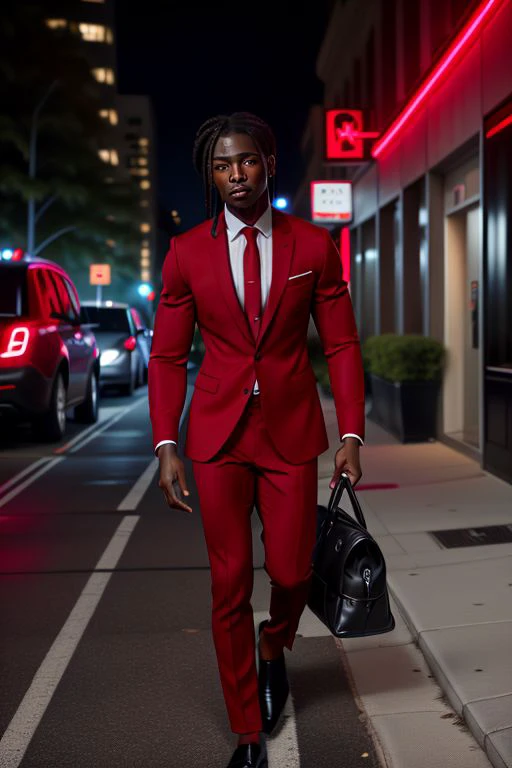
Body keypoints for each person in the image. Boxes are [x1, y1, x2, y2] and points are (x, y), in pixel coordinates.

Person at [148, 112, 365, 768]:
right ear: (209, 176)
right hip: (217, 439)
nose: (234, 175)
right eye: (221, 165)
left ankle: (275, 644)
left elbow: (344, 342)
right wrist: (165, 444)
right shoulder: (187, 253)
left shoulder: (309, 246)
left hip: (291, 435)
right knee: (229, 581)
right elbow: (165, 358)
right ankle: (247, 732)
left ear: (270, 162)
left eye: (245, 161)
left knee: (294, 572)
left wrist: (351, 431)